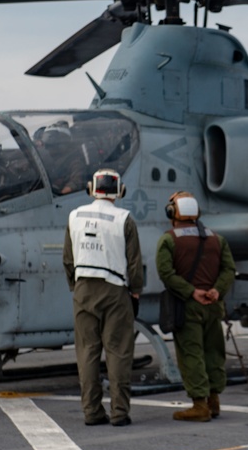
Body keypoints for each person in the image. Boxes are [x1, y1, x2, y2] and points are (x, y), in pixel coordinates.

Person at [63, 169, 144, 427]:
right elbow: (135, 263)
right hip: (115, 290)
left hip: (84, 288)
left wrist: (75, 287)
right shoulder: (124, 219)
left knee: (87, 351)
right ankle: (120, 412)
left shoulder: (74, 216)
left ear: (91, 189)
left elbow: (68, 259)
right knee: (118, 351)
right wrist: (136, 291)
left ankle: (92, 412)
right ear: (119, 191)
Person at [155, 191, 236, 422]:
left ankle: (199, 405)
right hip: (213, 306)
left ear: (172, 213)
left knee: (191, 354)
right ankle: (214, 400)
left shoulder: (169, 239)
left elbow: (166, 273)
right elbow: (229, 269)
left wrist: (192, 292)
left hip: (188, 306)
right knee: (213, 351)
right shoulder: (216, 239)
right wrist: (216, 290)